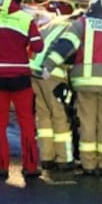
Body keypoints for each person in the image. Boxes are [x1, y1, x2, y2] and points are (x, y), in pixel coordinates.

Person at [42, 0, 102, 176]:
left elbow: (66, 46)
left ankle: (88, 165)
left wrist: (48, 65)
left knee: (87, 122)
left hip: (84, 82)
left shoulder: (81, 24)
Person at [0, 0, 44, 179]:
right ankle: (30, 167)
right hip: (20, 77)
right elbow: (38, 46)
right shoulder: (26, 19)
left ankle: (1, 166)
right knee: (26, 123)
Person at [30, 15, 77, 171]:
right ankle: (65, 159)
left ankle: (46, 157)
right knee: (60, 115)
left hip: (33, 72)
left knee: (43, 115)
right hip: (52, 74)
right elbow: (68, 53)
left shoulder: (54, 23)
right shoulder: (75, 29)